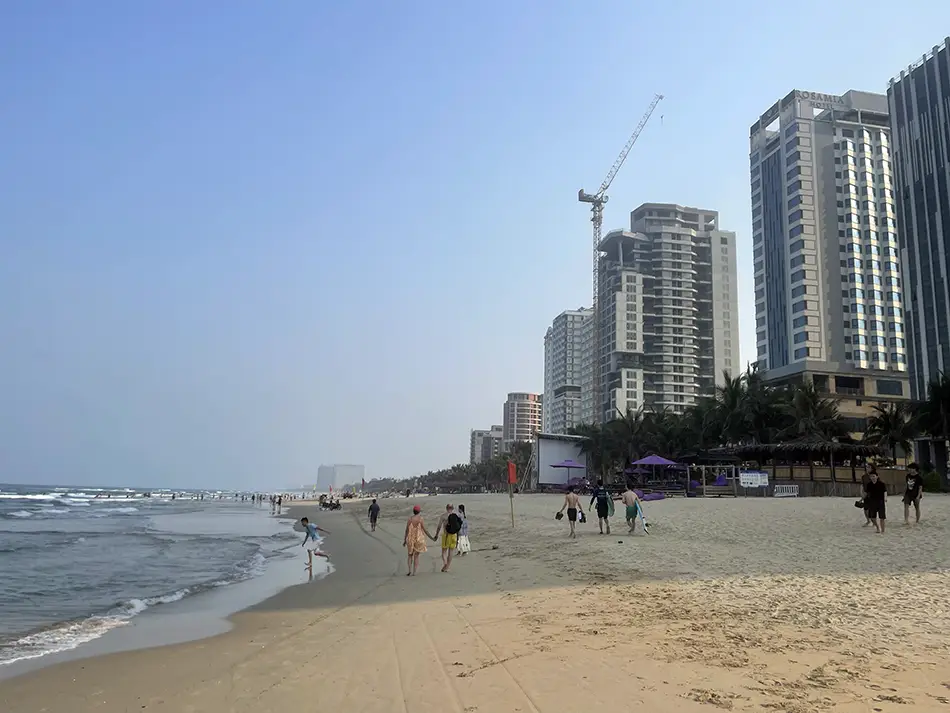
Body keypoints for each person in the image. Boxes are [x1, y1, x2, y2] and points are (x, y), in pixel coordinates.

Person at [403, 505, 435, 576]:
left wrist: (405, 540)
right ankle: (414, 572)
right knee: (416, 556)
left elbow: (407, 530)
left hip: (410, 538)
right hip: (418, 538)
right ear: (419, 511)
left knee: (410, 555)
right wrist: (431, 538)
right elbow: (425, 530)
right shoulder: (420, 519)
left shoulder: (410, 519)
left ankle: (409, 570)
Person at [435, 504, 462, 572]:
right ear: (452, 508)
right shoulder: (456, 516)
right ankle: (447, 567)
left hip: (446, 535)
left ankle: (445, 564)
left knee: (444, 552)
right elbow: (458, 527)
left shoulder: (443, 516)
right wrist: (458, 537)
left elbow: (439, 526)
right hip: (453, 535)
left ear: (446, 508)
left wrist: (436, 535)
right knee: (451, 551)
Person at [865, 469, 888, 534]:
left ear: (877, 476)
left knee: (882, 517)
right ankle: (877, 527)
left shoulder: (881, 484)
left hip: (880, 501)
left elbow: (885, 491)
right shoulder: (869, 485)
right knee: (872, 517)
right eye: (871, 476)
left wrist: (885, 498)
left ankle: (883, 530)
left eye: (873, 476)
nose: (872, 478)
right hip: (872, 501)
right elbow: (867, 493)